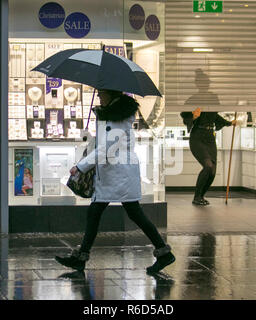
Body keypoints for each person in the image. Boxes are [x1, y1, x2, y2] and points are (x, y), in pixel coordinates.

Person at [55, 89, 175, 274]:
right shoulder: (111, 115)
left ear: (112, 95)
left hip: (119, 175)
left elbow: (107, 149)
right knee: (99, 213)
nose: (99, 96)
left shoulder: (118, 118)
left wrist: (81, 166)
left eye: (102, 93)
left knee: (131, 214)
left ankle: (163, 252)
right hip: (112, 175)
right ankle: (81, 257)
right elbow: (104, 144)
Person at [181, 69, 237, 206]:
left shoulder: (213, 98)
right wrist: (193, 116)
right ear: (198, 84)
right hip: (198, 137)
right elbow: (184, 114)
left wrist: (229, 123)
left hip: (210, 137)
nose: (204, 85)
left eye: (206, 83)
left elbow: (214, 116)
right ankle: (196, 197)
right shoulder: (193, 99)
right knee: (207, 166)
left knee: (212, 171)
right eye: (202, 83)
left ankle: (201, 196)